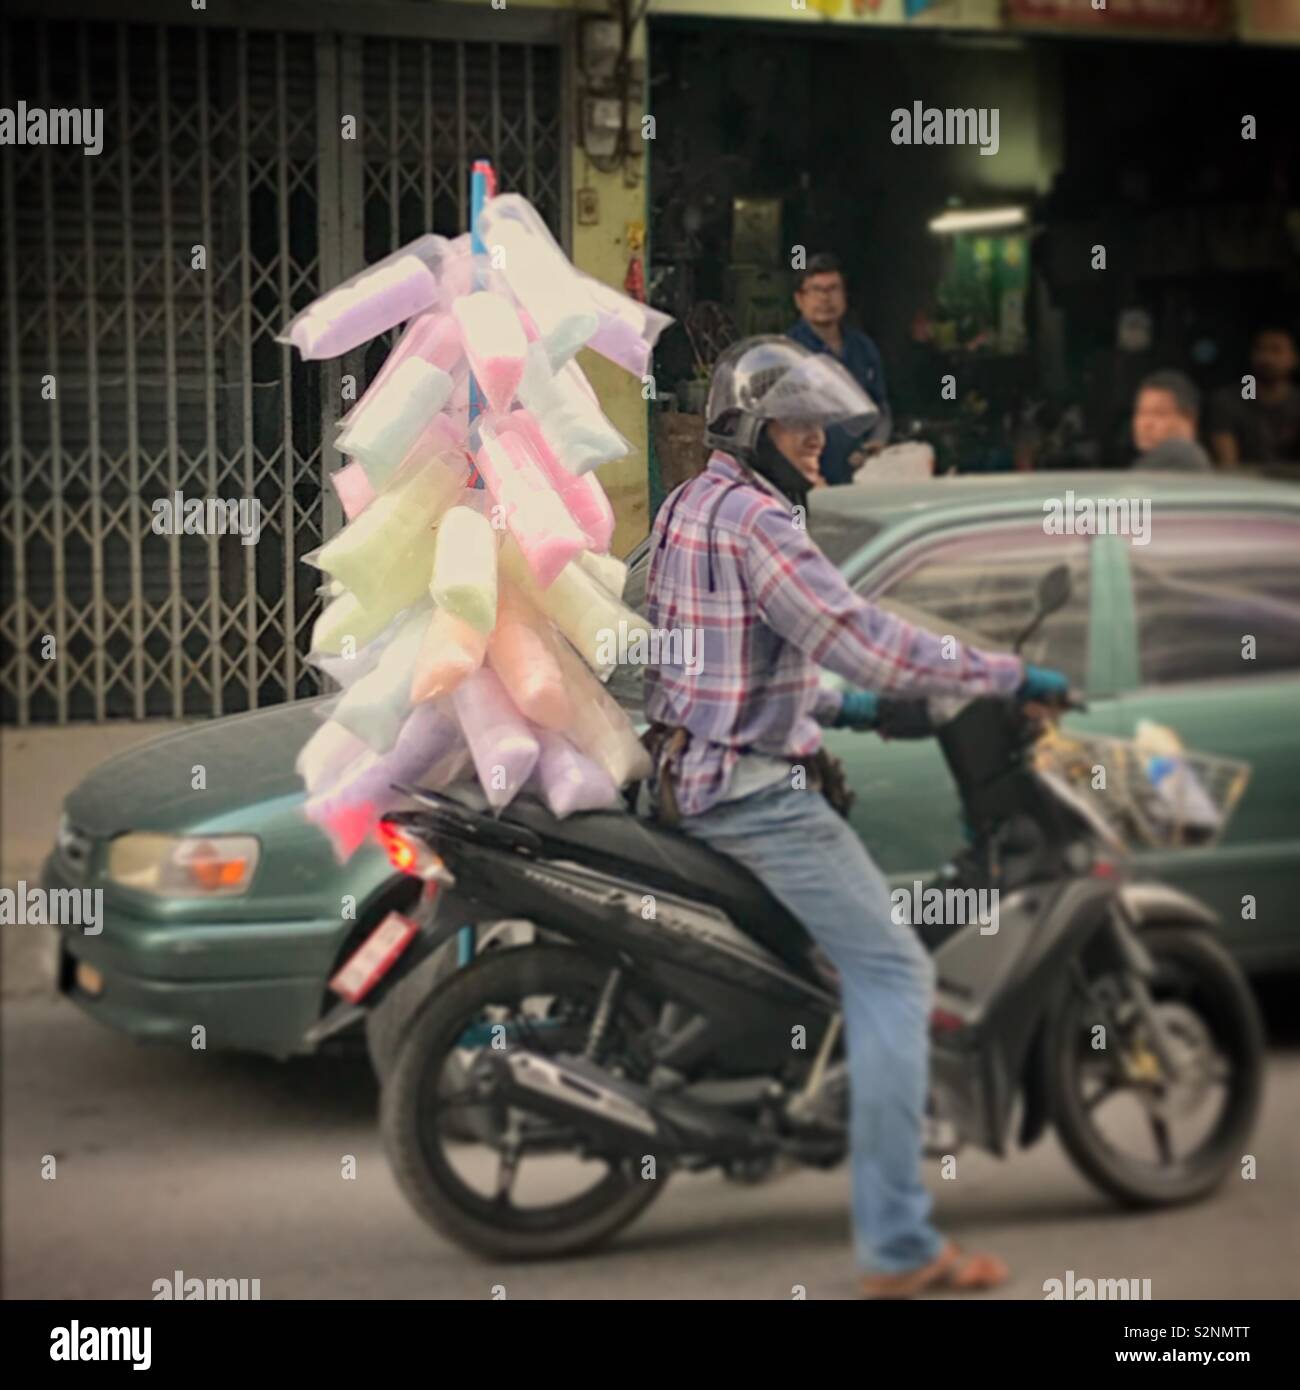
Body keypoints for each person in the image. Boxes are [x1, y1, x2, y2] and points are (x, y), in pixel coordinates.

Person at [643, 336, 1070, 1297]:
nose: (818, 447)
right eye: (799, 427)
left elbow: (720, 667)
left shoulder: (686, 507)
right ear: (754, 428)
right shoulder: (762, 525)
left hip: (687, 773)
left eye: (822, 430)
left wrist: (859, 710)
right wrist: (1005, 675)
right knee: (894, 974)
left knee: (837, 954)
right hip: (752, 798)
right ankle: (899, 1246)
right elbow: (859, 637)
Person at [787, 254, 891, 485]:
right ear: (799, 299)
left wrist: (877, 441)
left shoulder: (863, 348)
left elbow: (880, 407)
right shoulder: (788, 354)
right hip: (810, 482)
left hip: (861, 479)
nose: (825, 298)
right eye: (816, 290)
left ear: (844, 295)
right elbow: (781, 427)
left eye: (833, 289)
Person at [1209, 326, 1300, 468]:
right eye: (1260, 349)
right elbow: (1228, 465)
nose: (1266, 358)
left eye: (1276, 350)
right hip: (1245, 485)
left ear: (1294, 358)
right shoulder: (1230, 400)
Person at [1130, 370, 1213, 472]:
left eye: (1160, 413)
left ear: (1188, 419)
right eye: (1141, 412)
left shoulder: (1183, 454)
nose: (1146, 423)